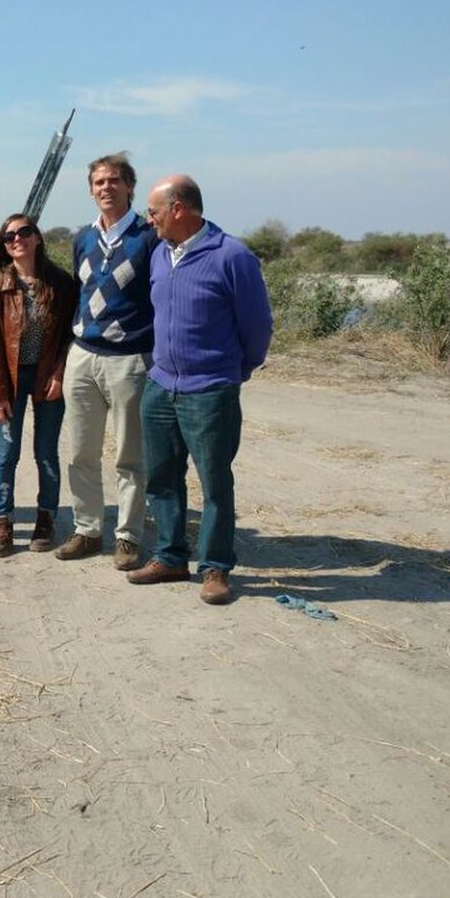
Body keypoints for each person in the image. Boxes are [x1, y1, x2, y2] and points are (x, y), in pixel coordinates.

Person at [129, 175, 273, 604]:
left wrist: (235, 370)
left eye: (152, 211)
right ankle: (171, 556)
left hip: (209, 390)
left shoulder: (232, 256)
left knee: (214, 482)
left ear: (177, 209)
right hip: (160, 386)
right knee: (162, 478)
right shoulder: (160, 254)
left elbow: (258, 326)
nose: (148, 219)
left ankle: (215, 568)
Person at [54, 154, 159, 571]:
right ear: (90, 189)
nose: (106, 188)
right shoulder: (82, 238)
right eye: (98, 182)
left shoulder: (148, 237)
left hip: (130, 358)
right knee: (81, 451)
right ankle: (87, 529)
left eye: (114, 180)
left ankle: (129, 536)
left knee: (130, 456)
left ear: (130, 187)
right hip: (83, 355)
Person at [0, 214, 76, 558]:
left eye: (24, 232)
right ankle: (3, 522)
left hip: (47, 377)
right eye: (9, 236)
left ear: (37, 238)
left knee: (46, 453)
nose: (17, 239)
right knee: (6, 454)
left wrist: (60, 375)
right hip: (10, 380)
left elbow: (70, 337)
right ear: (3, 246)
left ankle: (45, 519)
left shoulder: (61, 283)